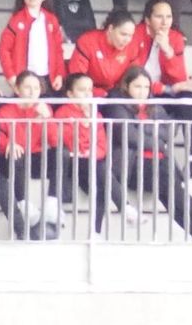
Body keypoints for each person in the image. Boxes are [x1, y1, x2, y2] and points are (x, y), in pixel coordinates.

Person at [103, 66, 192, 239]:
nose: (142, 92)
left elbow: (169, 132)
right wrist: (156, 140)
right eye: (137, 87)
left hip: (161, 160)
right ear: (126, 86)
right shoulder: (117, 106)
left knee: (169, 193)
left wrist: (146, 130)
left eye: (146, 87)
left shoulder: (153, 106)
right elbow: (130, 136)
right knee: (170, 188)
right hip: (134, 164)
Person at [50, 72, 131, 234]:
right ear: (70, 94)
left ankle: (97, 230)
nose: (87, 94)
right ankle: (125, 207)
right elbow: (63, 141)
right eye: (81, 90)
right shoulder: (62, 113)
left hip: (89, 162)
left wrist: (91, 152)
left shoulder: (97, 115)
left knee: (101, 177)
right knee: (101, 171)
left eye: (90, 90)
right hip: (71, 162)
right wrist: (84, 127)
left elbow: (102, 145)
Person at [129, 0, 192, 123]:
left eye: (169, 17)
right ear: (147, 20)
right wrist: (165, 89)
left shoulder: (176, 38)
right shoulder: (135, 35)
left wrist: (168, 51)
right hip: (139, 91)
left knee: (187, 98)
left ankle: (191, 143)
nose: (165, 22)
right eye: (159, 17)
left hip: (164, 92)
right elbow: (132, 76)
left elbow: (180, 79)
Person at [0, 72, 58, 239]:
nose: (32, 92)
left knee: (62, 154)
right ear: (17, 89)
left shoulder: (45, 109)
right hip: (15, 159)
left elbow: (55, 141)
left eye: (36, 88)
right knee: (17, 153)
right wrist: (9, 143)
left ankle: (53, 200)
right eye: (27, 87)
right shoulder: (5, 111)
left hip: (36, 158)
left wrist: (48, 119)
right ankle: (23, 202)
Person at [0, 0, 66, 94]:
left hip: (48, 78)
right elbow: (3, 50)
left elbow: (58, 50)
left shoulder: (52, 20)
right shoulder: (15, 20)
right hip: (25, 79)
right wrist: (11, 76)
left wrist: (59, 74)